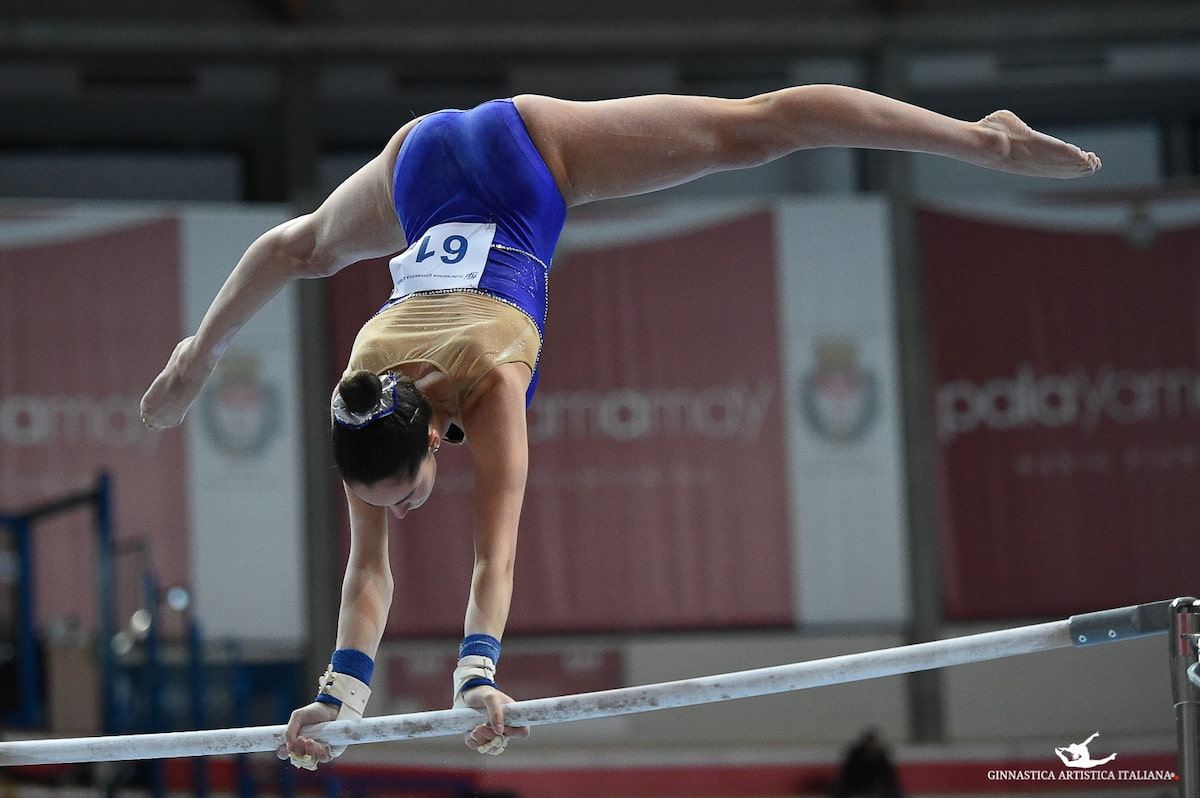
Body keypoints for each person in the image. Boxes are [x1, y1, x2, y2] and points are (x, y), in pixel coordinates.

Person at [139, 86, 1101, 766]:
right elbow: (365, 572)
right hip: (419, 156)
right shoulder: (362, 399)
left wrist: (477, 675)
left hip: (527, 162)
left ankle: (988, 142)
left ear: (437, 435)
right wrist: (341, 697)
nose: (405, 512)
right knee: (307, 246)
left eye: (409, 495)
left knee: (752, 132)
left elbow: (493, 558)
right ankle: (195, 352)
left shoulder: (492, 385)